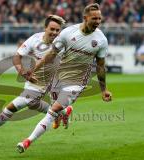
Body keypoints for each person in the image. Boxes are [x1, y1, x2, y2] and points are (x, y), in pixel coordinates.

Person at [17, 3, 112, 153]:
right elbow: (51, 55)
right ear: (85, 18)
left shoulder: (101, 40)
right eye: (94, 18)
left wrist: (103, 89)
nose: (98, 22)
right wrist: (33, 70)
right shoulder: (68, 33)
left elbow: (100, 66)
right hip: (59, 76)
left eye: (100, 19)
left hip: (77, 81)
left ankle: (27, 141)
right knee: (57, 109)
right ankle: (66, 112)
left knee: (52, 110)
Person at [0, 15, 72, 142]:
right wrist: (22, 72)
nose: (55, 33)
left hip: (50, 82)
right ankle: (61, 112)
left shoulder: (62, 43)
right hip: (33, 80)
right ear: (45, 28)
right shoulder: (35, 39)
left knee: (11, 108)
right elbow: (17, 56)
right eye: (52, 29)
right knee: (33, 104)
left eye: (57, 30)